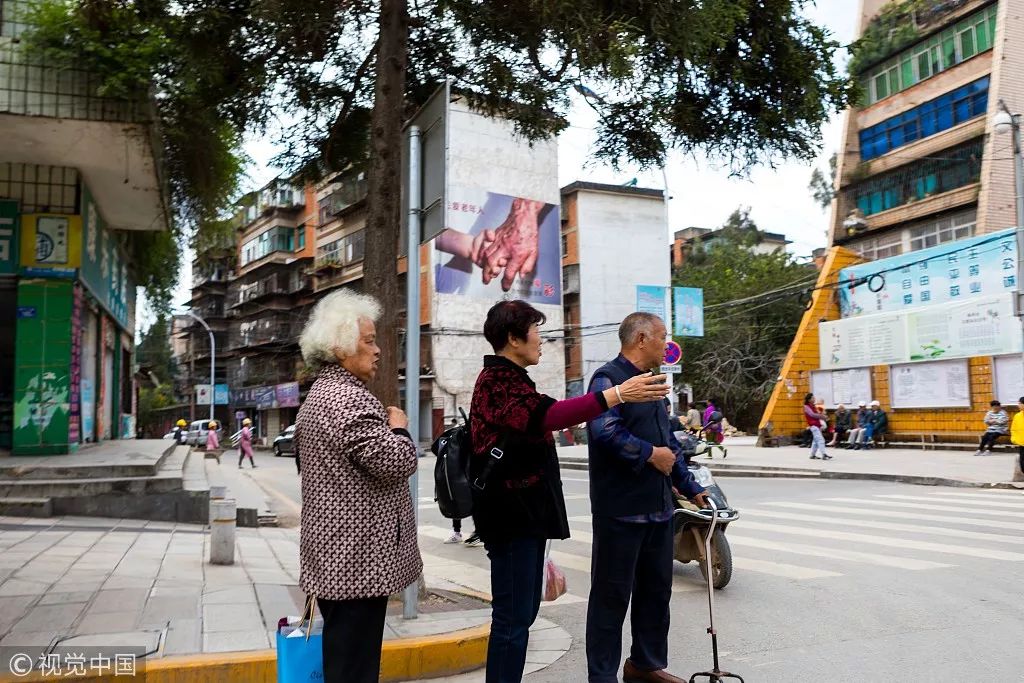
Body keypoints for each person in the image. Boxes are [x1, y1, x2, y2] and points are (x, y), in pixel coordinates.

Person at [469, 300, 670, 683]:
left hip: (525, 517)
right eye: (535, 332)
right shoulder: (497, 382)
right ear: (513, 338)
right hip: (510, 518)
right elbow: (548, 415)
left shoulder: (514, 380)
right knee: (512, 621)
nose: (541, 341)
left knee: (522, 615)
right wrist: (616, 396)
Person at [293, 289, 421, 683]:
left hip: (335, 559)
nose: (378, 349)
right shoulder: (351, 400)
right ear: (340, 346)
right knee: (355, 667)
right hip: (357, 563)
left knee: (344, 661)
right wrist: (398, 428)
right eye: (368, 341)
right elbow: (397, 463)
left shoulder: (319, 395)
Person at [585, 312, 708, 683]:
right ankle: (602, 676)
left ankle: (644, 665)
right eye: (662, 337)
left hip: (658, 510)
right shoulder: (607, 379)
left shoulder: (654, 384)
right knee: (611, 598)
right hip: (620, 511)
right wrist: (648, 454)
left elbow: (669, 443)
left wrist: (691, 487)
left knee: (656, 594)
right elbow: (604, 431)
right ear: (641, 339)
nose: (666, 344)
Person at [803, 393, 831, 460]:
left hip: (817, 425)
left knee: (815, 442)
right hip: (813, 425)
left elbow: (818, 414)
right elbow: (812, 415)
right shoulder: (806, 407)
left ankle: (812, 455)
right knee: (821, 440)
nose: (814, 399)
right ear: (809, 399)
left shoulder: (813, 406)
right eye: (812, 398)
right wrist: (821, 416)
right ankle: (824, 454)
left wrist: (823, 416)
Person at [1011, 397, 1024, 475]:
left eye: (1020, 403)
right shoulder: (1017, 416)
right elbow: (1013, 429)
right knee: (1023, 465)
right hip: (1022, 444)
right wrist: (1014, 439)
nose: (1018, 405)